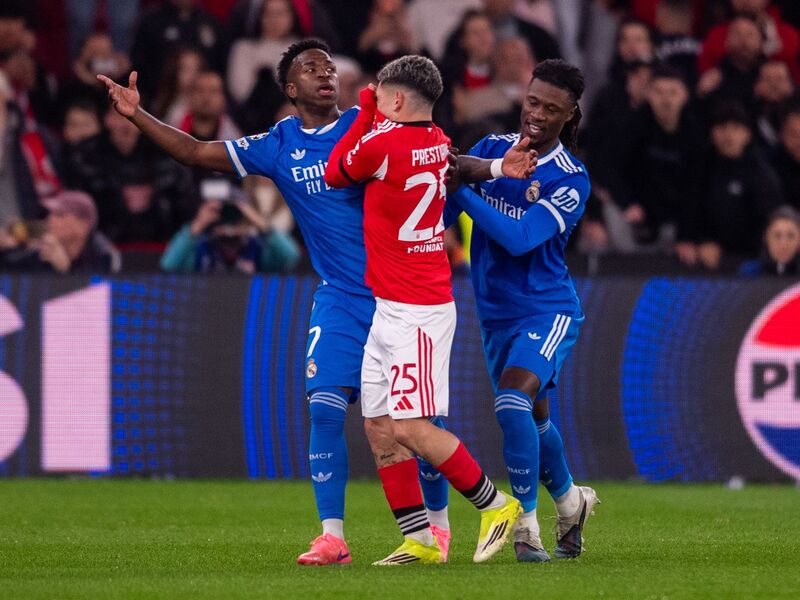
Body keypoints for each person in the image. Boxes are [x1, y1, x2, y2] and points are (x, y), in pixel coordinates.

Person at [97, 39, 453, 567]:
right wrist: (137, 115)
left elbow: (440, 159)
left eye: (329, 66)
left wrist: (494, 170)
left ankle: (438, 527)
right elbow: (195, 151)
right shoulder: (278, 144)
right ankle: (332, 537)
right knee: (324, 407)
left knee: (417, 425)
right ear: (290, 88)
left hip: (397, 294)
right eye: (311, 68)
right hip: (340, 297)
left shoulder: (372, 125)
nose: (325, 73)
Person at [324, 55, 523, 566]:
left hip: (417, 309)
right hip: (393, 305)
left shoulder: (382, 143)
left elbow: (335, 172)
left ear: (395, 99)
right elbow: (462, 166)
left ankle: (497, 506)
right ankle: (421, 540)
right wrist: (498, 167)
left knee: (410, 427)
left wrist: (364, 113)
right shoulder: (438, 142)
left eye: (380, 96)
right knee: (377, 424)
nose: (375, 103)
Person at [447, 59, 599, 563]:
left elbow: (520, 238)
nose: (537, 114)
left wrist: (462, 186)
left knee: (512, 401)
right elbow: (442, 209)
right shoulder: (491, 151)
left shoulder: (570, 178)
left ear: (569, 115)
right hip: (494, 314)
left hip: (545, 310)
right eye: (533, 101)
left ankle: (525, 525)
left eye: (551, 109)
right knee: (534, 419)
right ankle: (572, 502)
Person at [159, 185, 300, 273]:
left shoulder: (256, 248)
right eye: (222, 214)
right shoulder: (202, 248)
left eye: (234, 215)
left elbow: (290, 255)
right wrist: (197, 225)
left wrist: (258, 221)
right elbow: (169, 264)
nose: (229, 224)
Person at [0, 189, 120, 273]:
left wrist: (64, 270)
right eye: (50, 214)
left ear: (83, 226)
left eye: (59, 215)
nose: (50, 220)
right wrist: (5, 247)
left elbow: (93, 296)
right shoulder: (47, 245)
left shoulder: (104, 256)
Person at [740, 205, 800, 276]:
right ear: (765, 238)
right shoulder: (748, 272)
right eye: (777, 236)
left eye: (791, 236)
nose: (783, 244)